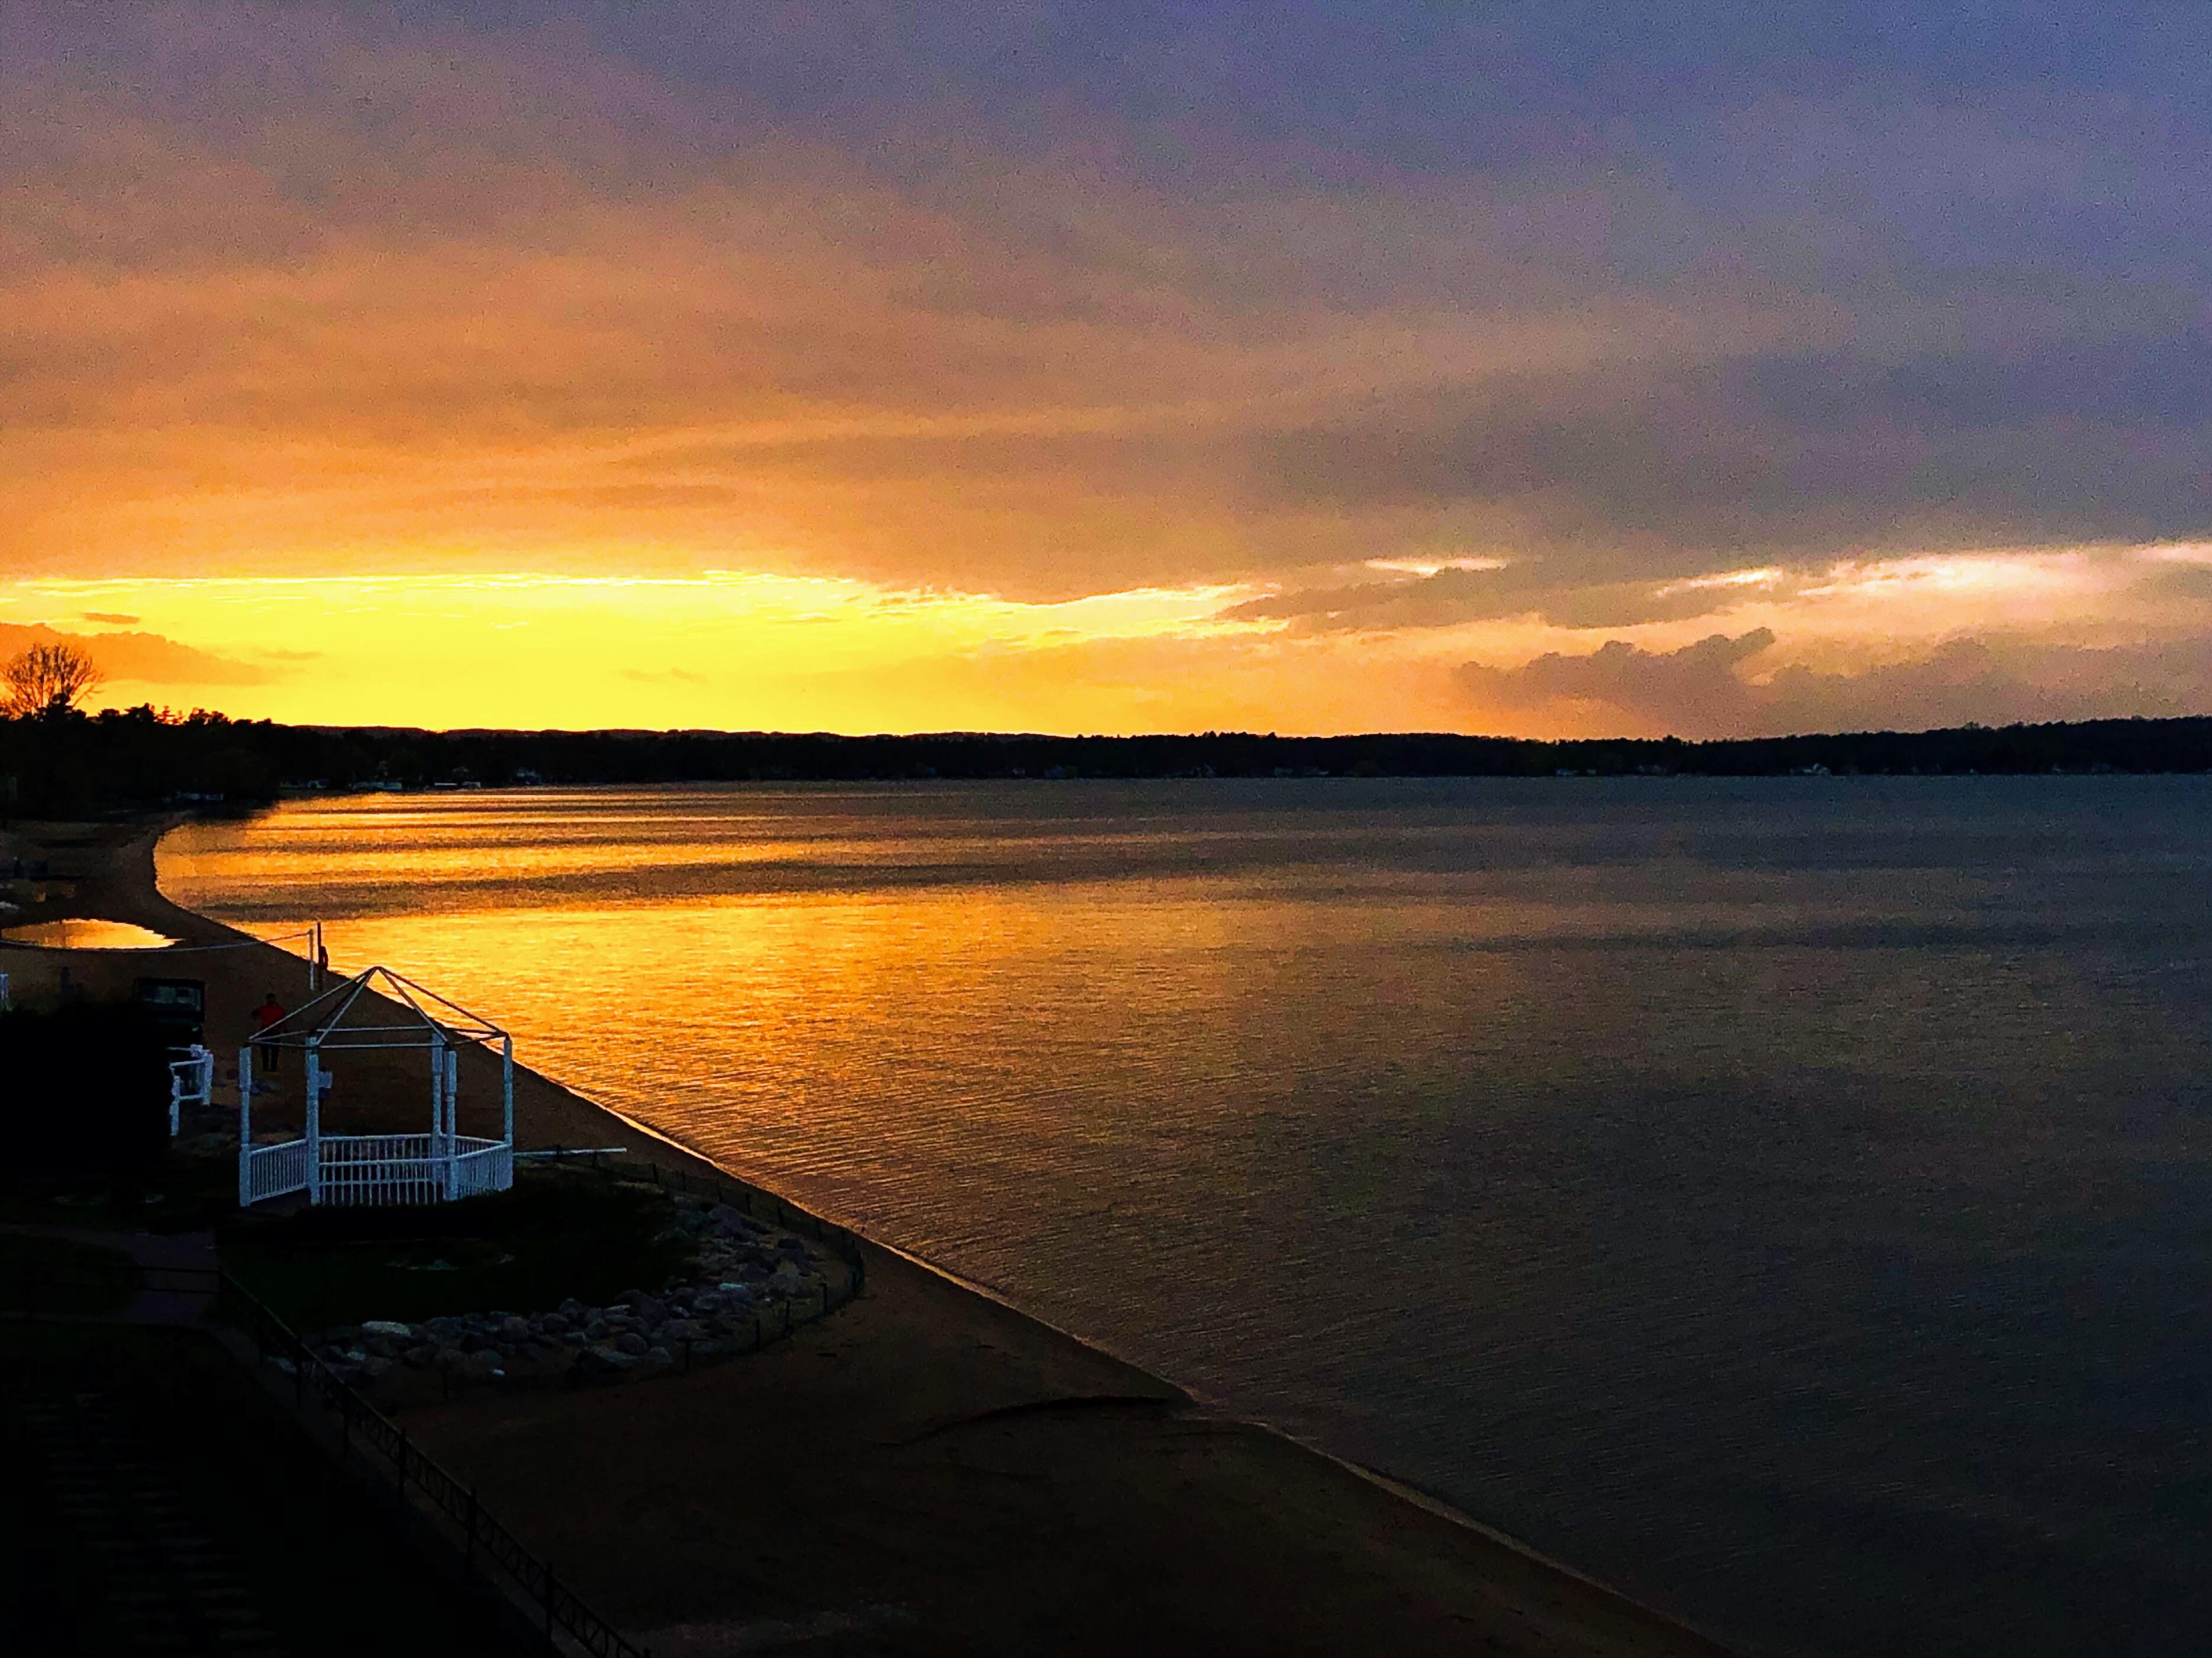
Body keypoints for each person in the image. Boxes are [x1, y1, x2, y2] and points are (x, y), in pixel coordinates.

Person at [251, 991, 286, 1072]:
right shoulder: (264, 1008)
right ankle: (266, 1067)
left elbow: (284, 1020)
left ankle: (273, 1067)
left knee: (275, 1051)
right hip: (265, 1031)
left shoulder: (279, 1009)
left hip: (275, 1031)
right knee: (265, 1051)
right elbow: (255, 1014)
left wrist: (284, 1029)